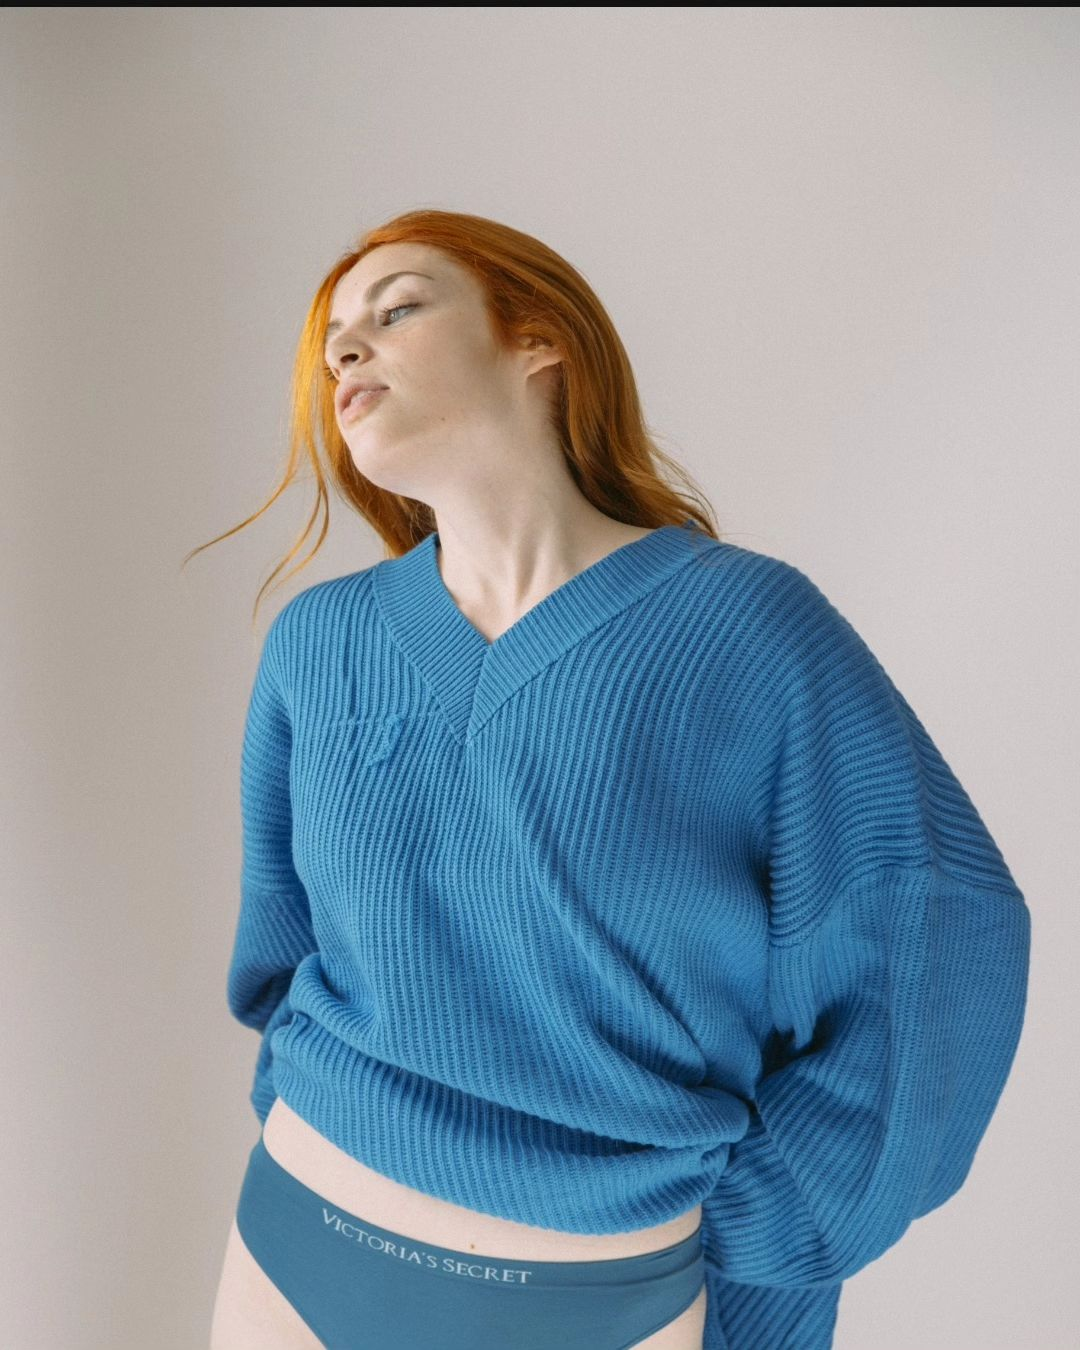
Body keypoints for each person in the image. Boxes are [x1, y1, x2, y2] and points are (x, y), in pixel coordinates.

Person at [197, 209, 1031, 1349]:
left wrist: (776, 1218)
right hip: (298, 1239)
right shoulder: (320, 640)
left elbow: (933, 935)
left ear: (538, 340)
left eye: (397, 310)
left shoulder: (745, 628)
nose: (346, 350)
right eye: (334, 338)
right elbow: (284, 948)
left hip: (604, 1294)